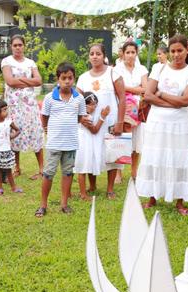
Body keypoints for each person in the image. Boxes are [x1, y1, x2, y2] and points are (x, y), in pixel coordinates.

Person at [137, 35, 188, 215]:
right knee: (155, 157)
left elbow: (186, 100)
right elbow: (148, 96)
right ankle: (152, 197)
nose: (176, 54)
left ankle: (179, 202)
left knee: (179, 159)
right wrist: (174, 101)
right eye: (172, 51)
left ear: (186, 51)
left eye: (180, 50)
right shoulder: (159, 68)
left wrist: (162, 94)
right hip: (157, 122)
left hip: (179, 124)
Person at [36, 62, 88, 217]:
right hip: (54, 143)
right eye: (63, 78)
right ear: (58, 79)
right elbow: (44, 116)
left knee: (67, 173)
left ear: (74, 79)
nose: (67, 81)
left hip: (71, 143)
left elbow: (79, 117)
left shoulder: (79, 98)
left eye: (70, 78)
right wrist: (47, 130)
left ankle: (64, 204)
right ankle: (43, 205)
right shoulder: (49, 98)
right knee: (48, 173)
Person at [76, 42, 126, 199]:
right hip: (91, 123)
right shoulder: (83, 77)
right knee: (91, 153)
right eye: (92, 54)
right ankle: (92, 185)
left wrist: (120, 122)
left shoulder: (113, 73)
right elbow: (76, 100)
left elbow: (122, 98)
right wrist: (81, 117)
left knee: (111, 153)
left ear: (104, 56)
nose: (95, 56)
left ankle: (110, 189)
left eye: (98, 53)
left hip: (110, 121)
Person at [1, 35, 44, 179]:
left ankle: (41, 168)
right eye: (15, 45)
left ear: (24, 46)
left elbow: (39, 81)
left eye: (20, 45)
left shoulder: (30, 62)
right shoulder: (6, 61)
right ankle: (17, 167)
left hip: (30, 105)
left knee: (35, 133)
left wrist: (20, 80)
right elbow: (10, 81)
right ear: (11, 47)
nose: (18, 47)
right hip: (14, 105)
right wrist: (29, 81)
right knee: (15, 134)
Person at [114, 40, 148, 180]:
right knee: (121, 138)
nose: (130, 55)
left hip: (138, 108)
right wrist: (136, 90)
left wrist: (130, 89)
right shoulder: (117, 69)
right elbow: (118, 88)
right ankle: (118, 173)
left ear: (136, 53)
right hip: (122, 106)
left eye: (133, 52)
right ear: (123, 53)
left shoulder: (142, 69)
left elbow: (146, 88)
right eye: (127, 52)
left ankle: (134, 172)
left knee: (136, 141)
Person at [75, 92, 111, 200]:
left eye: (95, 104)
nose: (94, 107)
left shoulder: (86, 114)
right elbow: (95, 130)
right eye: (91, 104)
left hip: (88, 141)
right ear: (84, 104)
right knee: (82, 167)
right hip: (82, 143)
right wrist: (102, 117)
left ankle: (92, 186)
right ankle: (83, 194)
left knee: (90, 163)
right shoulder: (84, 117)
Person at [0, 100, 22, 195]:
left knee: (8, 170)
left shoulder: (8, 122)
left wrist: (11, 137)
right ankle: (0, 188)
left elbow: (18, 130)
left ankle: (13, 187)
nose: (6, 112)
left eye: (6, 109)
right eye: (4, 110)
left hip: (6, 150)